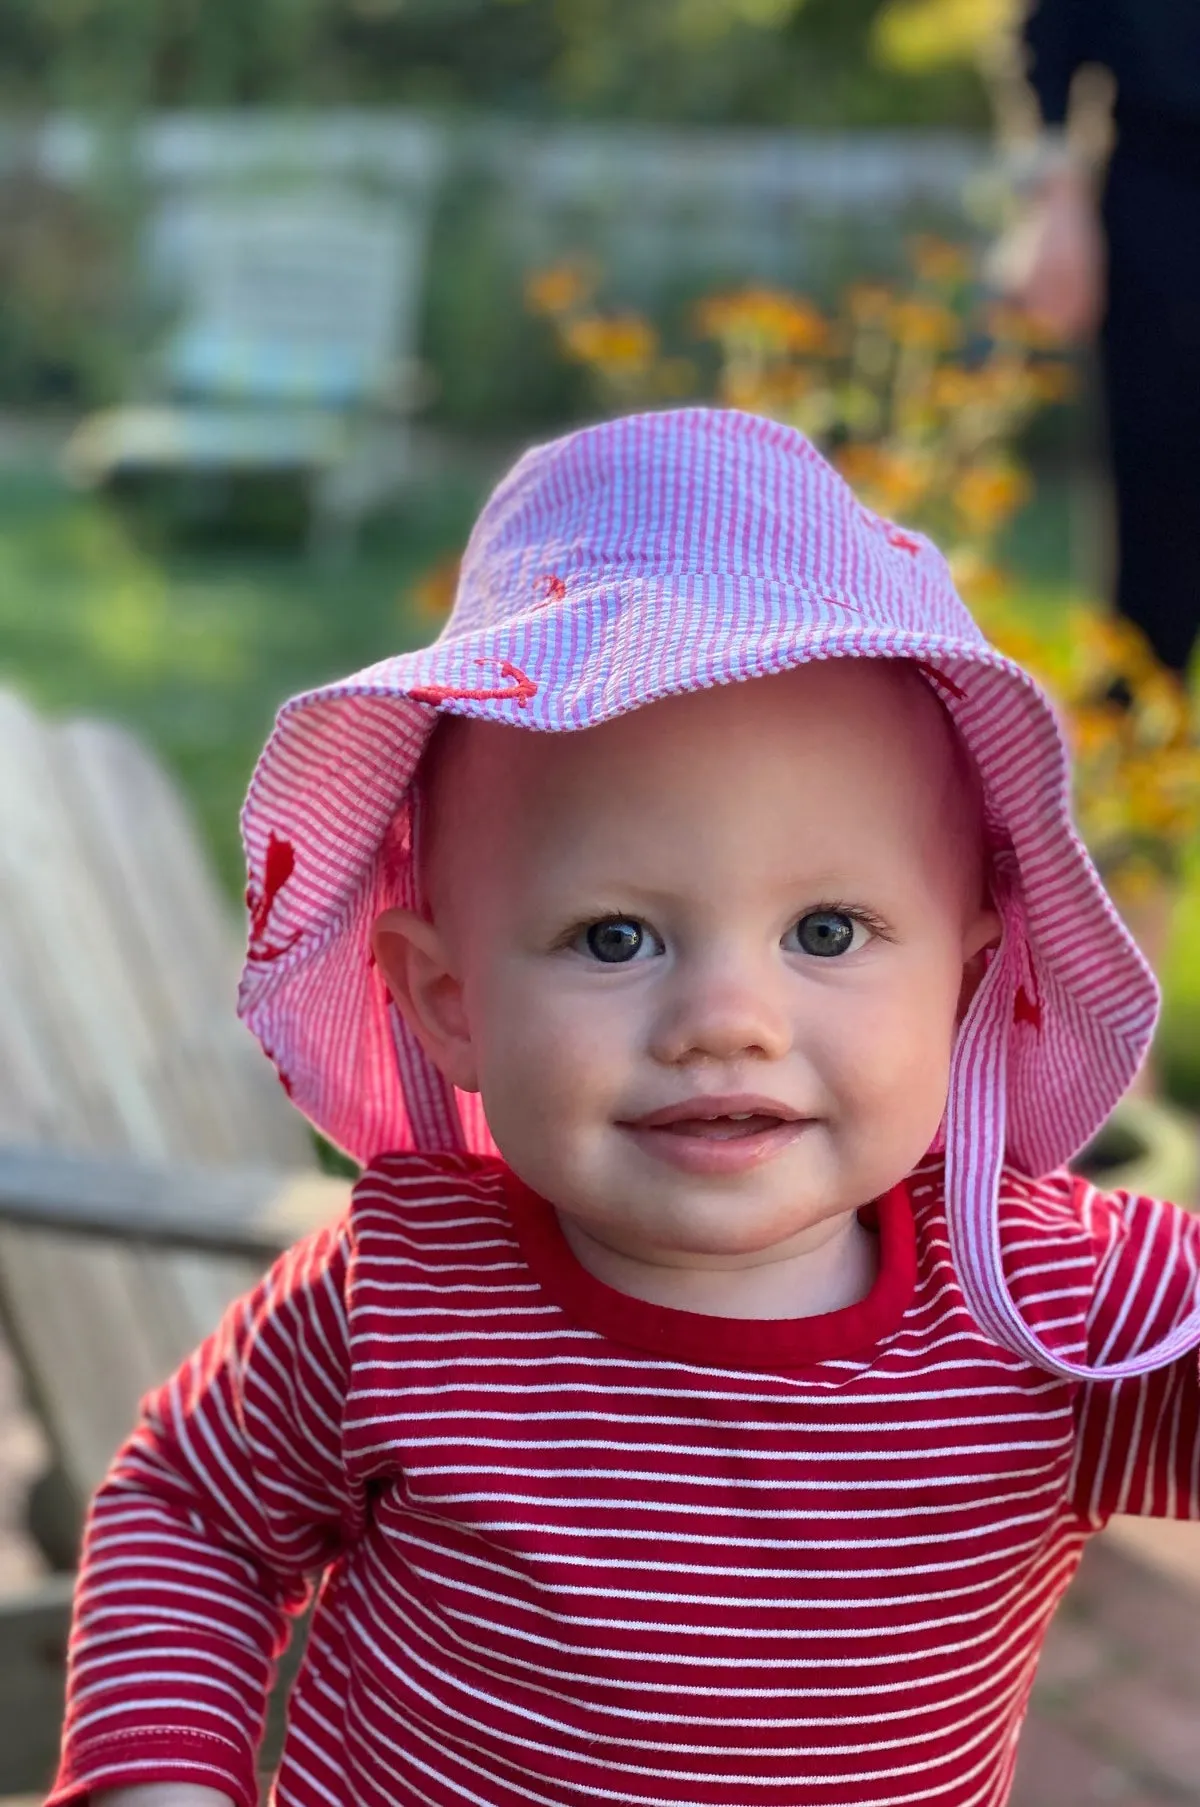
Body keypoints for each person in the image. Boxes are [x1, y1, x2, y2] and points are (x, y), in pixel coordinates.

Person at [49, 409, 1200, 1807]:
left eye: (828, 929)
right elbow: (192, 1510)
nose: (728, 1016)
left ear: (964, 984)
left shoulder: (1061, 1304)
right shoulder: (399, 1294)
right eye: (614, 936)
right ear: (448, 998)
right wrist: (158, 1777)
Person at [1016, 0, 1200, 677]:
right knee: (1158, 508)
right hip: (1162, 193)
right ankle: (1133, 748)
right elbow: (1050, 30)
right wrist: (1056, 201)